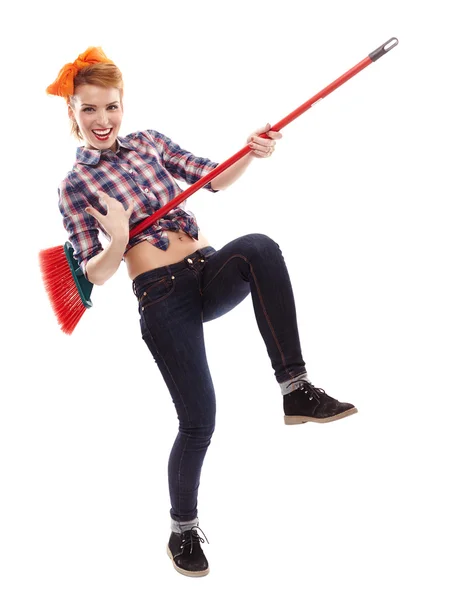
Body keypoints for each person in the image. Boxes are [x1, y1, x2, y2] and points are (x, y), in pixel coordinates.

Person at [47, 46, 358, 578]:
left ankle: (295, 388)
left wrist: (251, 151)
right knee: (199, 421)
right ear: (72, 112)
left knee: (258, 246)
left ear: (123, 106)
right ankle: (182, 531)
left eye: (112, 107)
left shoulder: (150, 143)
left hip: (206, 269)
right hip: (161, 296)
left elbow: (212, 177)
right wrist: (119, 235)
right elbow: (94, 275)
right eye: (90, 109)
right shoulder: (75, 186)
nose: (103, 120)